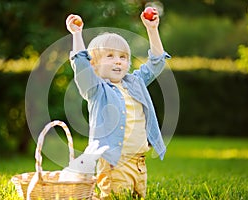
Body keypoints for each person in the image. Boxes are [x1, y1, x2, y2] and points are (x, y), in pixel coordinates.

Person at [65, 8, 170, 199]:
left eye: (123, 57)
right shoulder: (96, 89)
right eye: (110, 56)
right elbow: (81, 64)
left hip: (139, 162)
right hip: (115, 163)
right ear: (94, 65)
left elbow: (157, 63)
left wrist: (152, 29)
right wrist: (77, 35)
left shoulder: (135, 82)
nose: (118, 62)